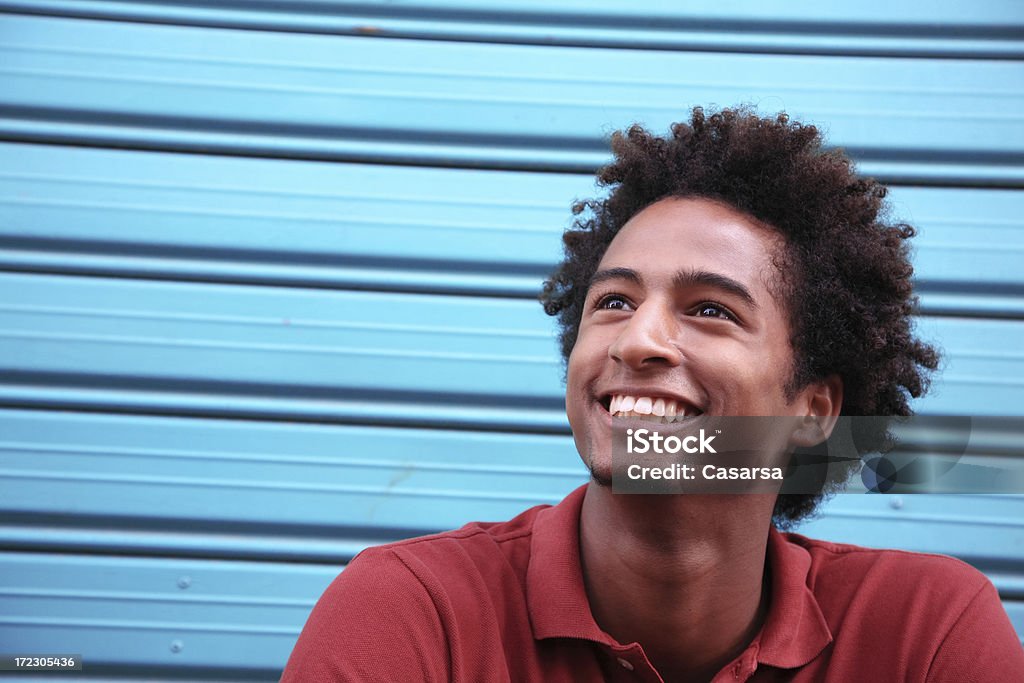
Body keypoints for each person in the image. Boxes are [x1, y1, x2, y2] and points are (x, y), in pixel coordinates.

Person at [281, 107, 1024, 681]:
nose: (637, 341)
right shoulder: (415, 614)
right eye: (612, 302)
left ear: (814, 411)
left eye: (710, 309)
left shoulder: (923, 633)